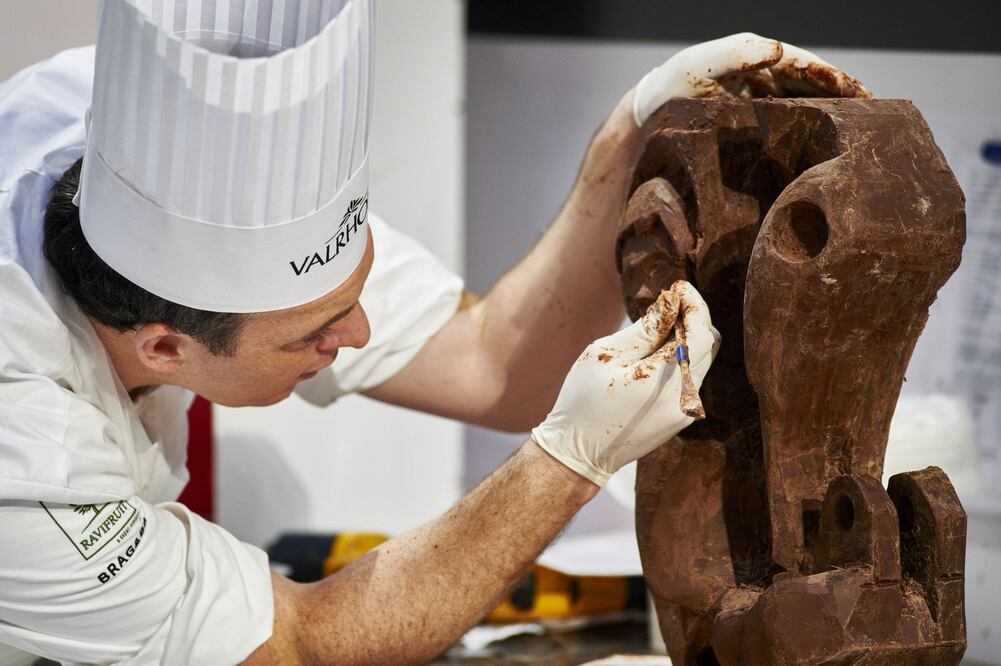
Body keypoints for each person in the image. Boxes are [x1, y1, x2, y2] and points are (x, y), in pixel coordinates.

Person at [0, 1, 869, 662]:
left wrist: (627, 133)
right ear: (163, 346)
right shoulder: (25, 462)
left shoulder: (113, 126)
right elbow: (296, 644)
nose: (361, 329)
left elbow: (492, 363)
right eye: (316, 332)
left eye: (356, 290)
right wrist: (570, 459)